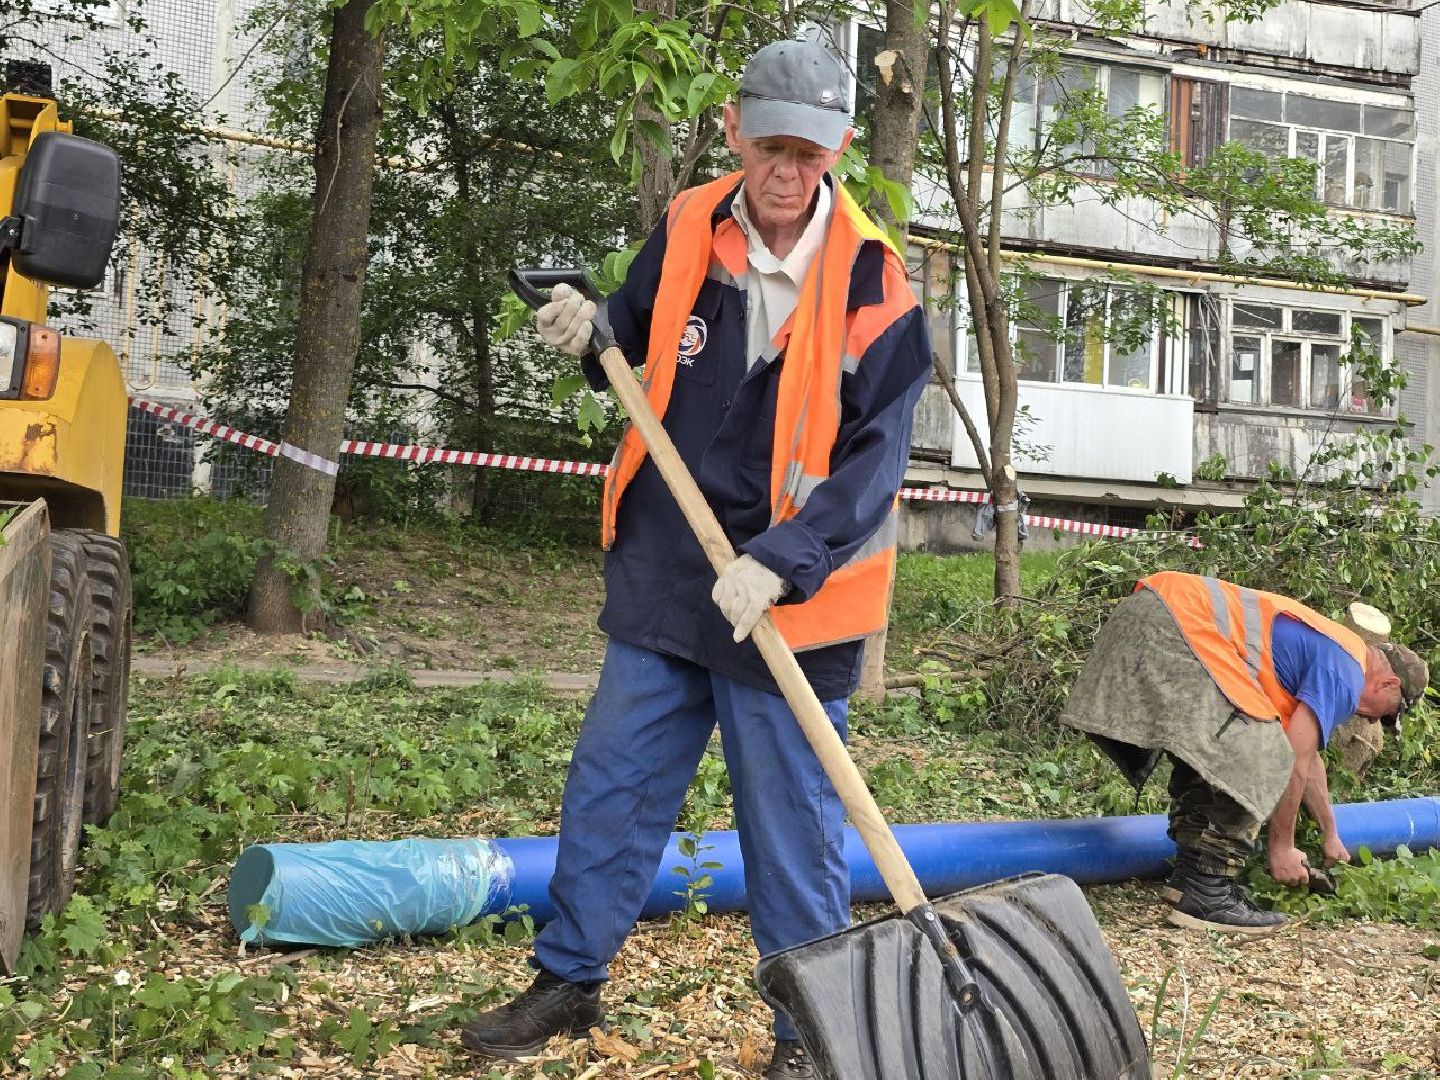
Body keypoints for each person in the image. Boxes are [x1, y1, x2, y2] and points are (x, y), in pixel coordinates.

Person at [459, 38, 933, 1078]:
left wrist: (786, 556)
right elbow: (631, 343)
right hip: (674, 566)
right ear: (733, 130)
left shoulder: (875, 282)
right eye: (769, 146)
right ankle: (570, 979)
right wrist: (588, 329)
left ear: (841, 149)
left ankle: (807, 1032)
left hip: (790, 604)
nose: (787, 172)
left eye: (810, 154)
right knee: (613, 786)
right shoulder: (688, 224)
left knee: (791, 834)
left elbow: (874, 462)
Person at [1061, 570, 1428, 935]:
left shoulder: (1338, 652)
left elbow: (1309, 758)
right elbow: (1293, 758)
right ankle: (1207, 892)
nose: (1374, 720)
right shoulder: (1347, 672)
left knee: (1230, 742)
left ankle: (1193, 880)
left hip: (1159, 608)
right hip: (1177, 622)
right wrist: (1281, 849)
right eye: (1388, 713)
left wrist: (1331, 834)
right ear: (1389, 683)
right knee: (1259, 752)